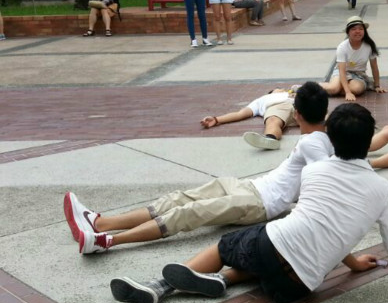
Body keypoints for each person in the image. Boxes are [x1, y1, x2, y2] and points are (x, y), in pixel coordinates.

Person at [108, 103, 388, 303]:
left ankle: (161, 286)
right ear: (368, 141)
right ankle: (223, 281)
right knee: (277, 262)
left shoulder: (314, 171)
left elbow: (317, 219)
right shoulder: (381, 187)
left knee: (228, 244)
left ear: (332, 138)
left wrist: (354, 262)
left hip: (270, 246)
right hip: (296, 288)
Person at [63, 83, 333, 255]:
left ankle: (106, 241)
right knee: (178, 198)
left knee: (186, 213)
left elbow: (323, 180)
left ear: (296, 113)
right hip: (253, 187)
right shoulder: (318, 138)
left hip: (260, 203)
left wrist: (299, 212)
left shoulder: (314, 144)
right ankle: (99, 222)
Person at [320, 16, 386, 100]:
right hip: (341, 72)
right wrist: (347, 92)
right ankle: (309, 87)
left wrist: (377, 86)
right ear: (348, 32)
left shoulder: (369, 46)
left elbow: (374, 67)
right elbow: (342, 71)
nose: (357, 31)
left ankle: (337, 89)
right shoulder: (342, 47)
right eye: (353, 29)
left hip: (359, 74)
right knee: (333, 88)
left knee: (357, 89)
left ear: (364, 31)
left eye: (360, 29)